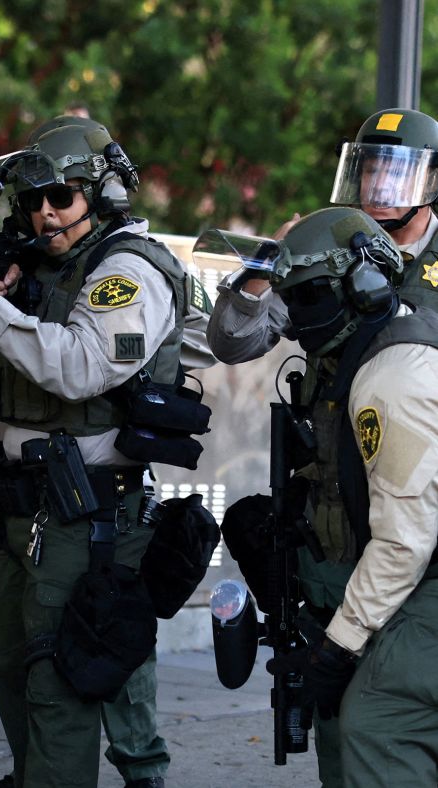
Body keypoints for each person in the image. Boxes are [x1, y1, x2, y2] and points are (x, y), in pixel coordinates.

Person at [0, 117, 192, 788]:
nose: (45, 215)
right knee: (13, 670)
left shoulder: (127, 271)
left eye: (62, 198)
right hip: (29, 505)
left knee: (60, 688)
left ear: (101, 193)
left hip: (87, 513)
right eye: (32, 203)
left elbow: (83, 366)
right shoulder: (48, 269)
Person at [203, 106, 438, 788]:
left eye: (398, 171)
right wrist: (266, 270)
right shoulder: (328, 245)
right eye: (371, 167)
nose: (380, 186)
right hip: (340, 497)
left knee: (383, 715)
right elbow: (235, 341)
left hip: (414, 504)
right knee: (338, 710)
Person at [244, 207, 436, 788]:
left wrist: (337, 647)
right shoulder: (376, 351)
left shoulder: (390, 377)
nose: (297, 320)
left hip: (425, 574)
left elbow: (406, 542)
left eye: (308, 298)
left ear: (363, 287)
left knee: (377, 724)